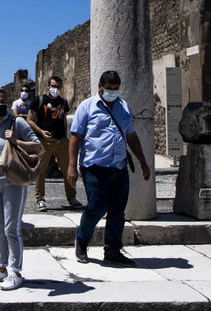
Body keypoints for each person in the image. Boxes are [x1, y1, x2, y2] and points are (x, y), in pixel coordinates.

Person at [67, 70, 151, 267]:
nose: (112, 92)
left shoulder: (123, 107)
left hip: (119, 166)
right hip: (95, 166)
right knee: (97, 207)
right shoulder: (87, 107)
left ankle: (112, 250)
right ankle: (82, 240)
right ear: (100, 86)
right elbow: (76, 137)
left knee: (117, 211)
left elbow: (131, 136)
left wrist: (143, 162)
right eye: (109, 88)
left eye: (115, 89)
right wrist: (71, 167)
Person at [0, 87, 41, 291]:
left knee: (11, 228)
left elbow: (37, 146)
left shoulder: (17, 122)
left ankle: (15, 271)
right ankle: (0, 267)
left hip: (12, 180)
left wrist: (15, 140)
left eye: (2, 101)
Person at [26, 76, 84, 212]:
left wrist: (66, 137)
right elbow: (29, 120)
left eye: (58, 87)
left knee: (69, 170)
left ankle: (72, 198)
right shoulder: (38, 101)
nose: (55, 89)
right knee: (41, 171)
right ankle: (40, 199)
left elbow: (63, 119)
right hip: (43, 141)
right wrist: (41, 131)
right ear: (47, 86)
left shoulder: (63, 102)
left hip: (61, 140)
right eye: (53, 86)